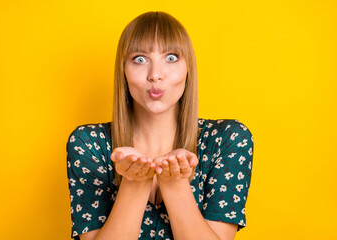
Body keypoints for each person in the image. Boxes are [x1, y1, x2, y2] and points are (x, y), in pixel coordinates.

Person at [66, 11, 254, 240]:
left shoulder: (227, 140)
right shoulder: (89, 144)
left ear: (188, 69)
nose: (155, 75)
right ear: (123, 71)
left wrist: (175, 183)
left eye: (172, 57)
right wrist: (134, 183)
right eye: (140, 59)